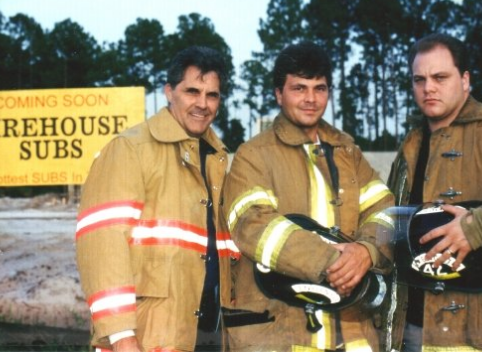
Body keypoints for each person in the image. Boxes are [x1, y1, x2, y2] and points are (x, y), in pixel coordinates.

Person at [222, 42, 395, 352]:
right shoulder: (253, 156)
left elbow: (387, 214)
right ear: (279, 94)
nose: (311, 99)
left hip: (352, 335)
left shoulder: (349, 153)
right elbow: (253, 226)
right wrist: (335, 263)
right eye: (299, 88)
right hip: (281, 334)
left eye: (320, 88)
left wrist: (367, 251)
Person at [75, 46, 239, 352]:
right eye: (192, 91)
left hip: (206, 335)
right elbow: (102, 244)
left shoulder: (217, 160)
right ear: (168, 92)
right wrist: (122, 337)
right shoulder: (130, 149)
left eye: (212, 95)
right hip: (147, 337)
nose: (202, 104)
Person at [386, 33, 482, 352]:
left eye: (440, 77)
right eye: (419, 79)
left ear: (465, 80)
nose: (428, 88)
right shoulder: (410, 145)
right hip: (411, 333)